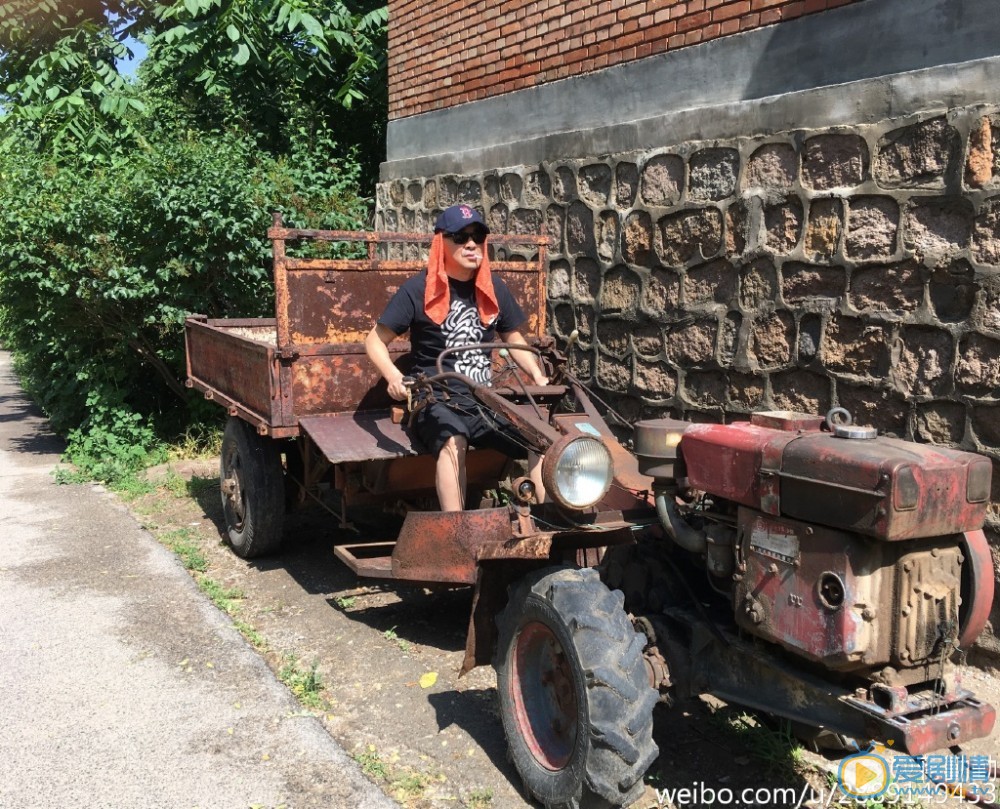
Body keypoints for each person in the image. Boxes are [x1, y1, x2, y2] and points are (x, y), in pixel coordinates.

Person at [365, 204, 549, 512]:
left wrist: (539, 375)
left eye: (477, 236)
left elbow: (514, 339)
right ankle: (457, 531)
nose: (471, 244)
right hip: (436, 400)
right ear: (441, 242)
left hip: (485, 400)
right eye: (461, 237)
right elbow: (374, 341)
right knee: (454, 442)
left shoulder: (493, 289)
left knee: (539, 439)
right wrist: (393, 377)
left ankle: (549, 521)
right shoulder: (416, 290)